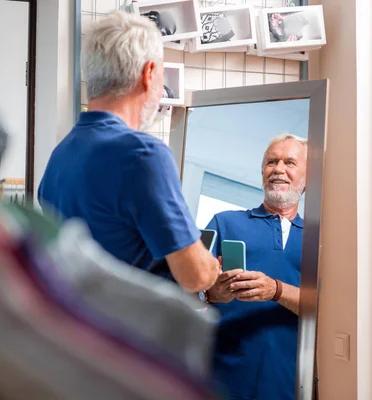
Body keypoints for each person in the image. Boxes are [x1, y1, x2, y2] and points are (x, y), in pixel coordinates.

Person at [37, 11, 220, 293]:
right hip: (132, 331)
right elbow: (194, 276)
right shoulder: (143, 155)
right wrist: (210, 268)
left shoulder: (61, 154)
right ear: (149, 74)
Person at [203, 134, 307, 400]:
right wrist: (213, 293)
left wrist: (277, 290)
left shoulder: (321, 239)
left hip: (291, 381)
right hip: (222, 376)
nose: (278, 169)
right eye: (272, 162)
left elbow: (331, 308)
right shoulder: (224, 223)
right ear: (262, 171)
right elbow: (186, 293)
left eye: (290, 163)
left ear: (308, 178)